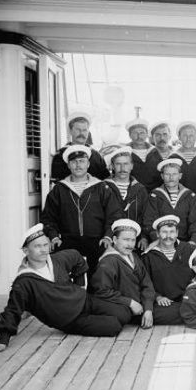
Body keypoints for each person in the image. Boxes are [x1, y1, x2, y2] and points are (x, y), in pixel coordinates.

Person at [0, 224, 130, 352]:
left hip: (85, 301)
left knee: (124, 313)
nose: (43, 250)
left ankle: (99, 315)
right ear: (26, 250)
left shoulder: (57, 259)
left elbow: (76, 257)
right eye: (37, 246)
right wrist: (3, 341)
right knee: (114, 326)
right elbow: (12, 310)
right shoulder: (23, 281)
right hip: (70, 320)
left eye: (45, 244)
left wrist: (80, 286)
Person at [41, 145, 123, 273]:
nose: (78, 165)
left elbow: (113, 215)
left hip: (98, 241)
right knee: (66, 275)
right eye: (74, 162)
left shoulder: (102, 188)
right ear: (68, 165)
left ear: (88, 164)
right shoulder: (59, 189)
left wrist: (108, 236)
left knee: (98, 275)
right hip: (67, 242)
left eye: (82, 161)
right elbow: (48, 218)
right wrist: (54, 237)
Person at [88, 219, 181, 328]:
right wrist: (130, 302)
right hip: (127, 309)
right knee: (181, 312)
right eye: (126, 240)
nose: (130, 244)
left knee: (181, 307)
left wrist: (148, 309)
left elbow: (147, 284)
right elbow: (102, 291)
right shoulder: (108, 262)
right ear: (115, 239)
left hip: (143, 305)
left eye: (133, 240)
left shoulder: (134, 257)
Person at [141, 215, 196, 325]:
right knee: (150, 313)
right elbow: (144, 283)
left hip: (188, 299)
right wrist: (157, 297)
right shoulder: (148, 256)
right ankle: (192, 314)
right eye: (164, 232)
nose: (168, 236)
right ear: (157, 234)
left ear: (177, 233)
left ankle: (191, 313)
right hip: (164, 304)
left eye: (172, 232)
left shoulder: (188, 249)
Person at [142, 158, 196, 245]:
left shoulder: (190, 196)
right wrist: (156, 240)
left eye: (174, 174)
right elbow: (149, 221)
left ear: (180, 176)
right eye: (167, 174)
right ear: (162, 176)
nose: (171, 178)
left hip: (185, 242)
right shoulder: (155, 196)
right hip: (161, 242)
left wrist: (193, 241)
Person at [105, 146, 150, 251]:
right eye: (118, 164)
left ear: (131, 166)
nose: (122, 168)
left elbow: (145, 216)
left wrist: (143, 237)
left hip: (134, 240)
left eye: (126, 164)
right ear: (112, 166)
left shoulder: (140, 189)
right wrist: (106, 237)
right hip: (109, 240)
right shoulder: (103, 187)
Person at [50, 112, 109, 182]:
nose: (81, 133)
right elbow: (57, 182)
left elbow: (105, 179)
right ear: (70, 131)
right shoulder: (60, 155)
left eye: (84, 130)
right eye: (78, 130)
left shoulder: (96, 155)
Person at [173, 121, 196, 193]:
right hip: (179, 198)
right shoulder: (173, 158)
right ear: (179, 137)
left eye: (191, 135)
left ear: (195, 138)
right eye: (185, 135)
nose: (188, 139)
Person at [140, 120, 177, 191]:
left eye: (165, 134)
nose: (162, 138)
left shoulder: (177, 155)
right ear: (152, 138)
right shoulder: (146, 156)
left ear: (170, 136)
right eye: (158, 135)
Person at [124, 117, 155, 187]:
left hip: (154, 191)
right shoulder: (125, 152)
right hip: (133, 190)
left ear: (147, 134)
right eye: (135, 133)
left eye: (142, 133)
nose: (139, 136)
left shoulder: (154, 151)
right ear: (130, 135)